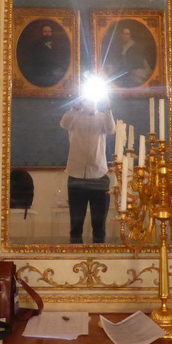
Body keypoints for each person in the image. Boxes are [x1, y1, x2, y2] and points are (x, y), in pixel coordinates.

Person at [59, 99, 115, 243]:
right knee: (76, 225)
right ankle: (74, 259)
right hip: (76, 176)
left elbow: (111, 129)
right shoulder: (74, 116)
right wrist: (74, 107)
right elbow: (64, 124)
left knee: (99, 225)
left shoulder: (103, 117)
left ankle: (100, 258)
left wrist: (107, 108)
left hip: (99, 176)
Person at [19, 21, 70, 88]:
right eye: (45, 31)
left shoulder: (54, 46)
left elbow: (55, 59)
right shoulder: (36, 46)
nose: (47, 34)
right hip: (41, 74)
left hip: (51, 74)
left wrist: (58, 68)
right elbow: (38, 62)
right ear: (41, 33)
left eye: (49, 32)